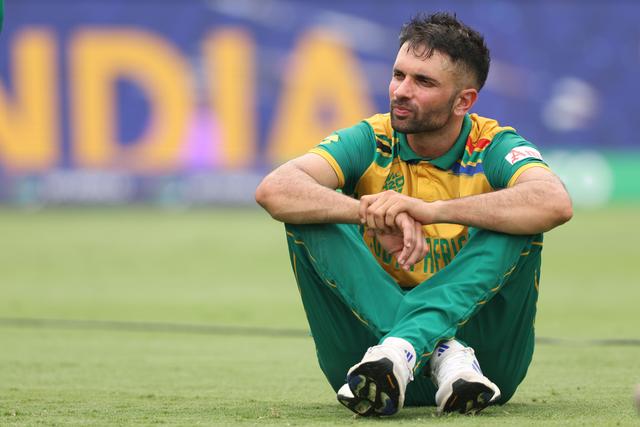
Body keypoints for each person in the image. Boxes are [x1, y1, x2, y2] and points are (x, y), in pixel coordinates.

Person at [255, 12, 572, 417]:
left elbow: (554, 201)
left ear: (464, 101)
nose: (401, 91)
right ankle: (435, 350)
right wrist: (366, 213)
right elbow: (275, 189)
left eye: (423, 82)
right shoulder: (372, 138)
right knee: (312, 211)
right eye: (399, 74)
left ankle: (415, 343)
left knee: (516, 214)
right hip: (373, 365)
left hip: (484, 370)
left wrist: (432, 210)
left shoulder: (492, 145)